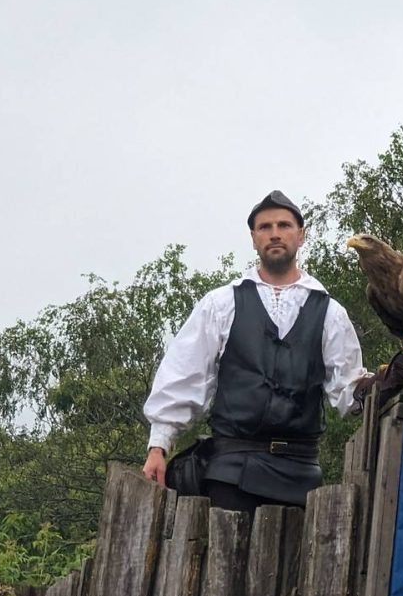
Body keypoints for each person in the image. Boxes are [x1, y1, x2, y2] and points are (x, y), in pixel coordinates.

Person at [141, 190, 371, 512]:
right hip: (231, 470)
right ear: (253, 238)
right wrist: (158, 447)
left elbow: (349, 391)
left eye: (284, 225)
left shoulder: (330, 312)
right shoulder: (221, 304)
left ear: (300, 235)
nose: (274, 233)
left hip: (301, 475)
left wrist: (382, 384)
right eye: (265, 227)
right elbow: (184, 374)